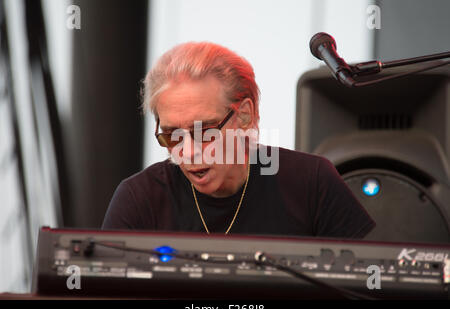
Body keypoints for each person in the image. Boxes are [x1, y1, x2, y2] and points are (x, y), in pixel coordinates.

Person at [102, 41, 375, 238]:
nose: (187, 152)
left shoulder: (311, 182)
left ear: (244, 115)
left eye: (203, 132)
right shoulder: (138, 200)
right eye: (172, 135)